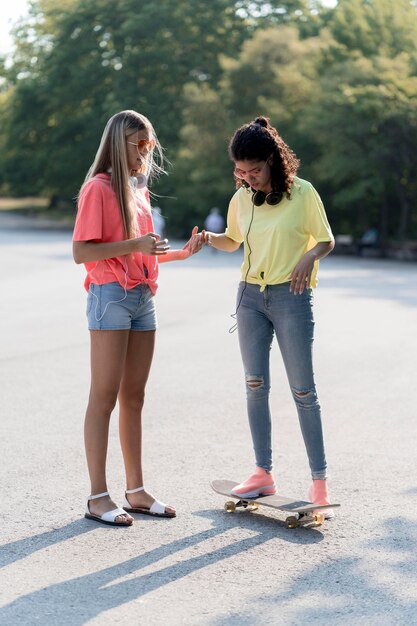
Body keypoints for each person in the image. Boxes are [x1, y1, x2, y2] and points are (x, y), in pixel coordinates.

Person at [72, 110, 204, 526]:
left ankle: (136, 491)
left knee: (135, 397)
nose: (146, 152)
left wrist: (182, 251)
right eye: (140, 145)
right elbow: (82, 252)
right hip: (110, 297)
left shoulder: (137, 189)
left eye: (149, 145)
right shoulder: (98, 189)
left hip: (143, 297)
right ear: (119, 143)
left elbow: (143, 250)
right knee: (104, 396)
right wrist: (135, 242)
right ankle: (97, 496)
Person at [204, 116, 335, 514]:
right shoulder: (242, 199)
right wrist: (207, 239)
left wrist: (309, 257)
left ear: (273, 161)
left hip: (291, 298)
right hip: (249, 299)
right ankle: (263, 472)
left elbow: (326, 240)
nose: (247, 179)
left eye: (254, 171)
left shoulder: (304, 193)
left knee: (303, 391)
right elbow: (232, 239)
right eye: (240, 172)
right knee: (255, 385)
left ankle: (319, 482)